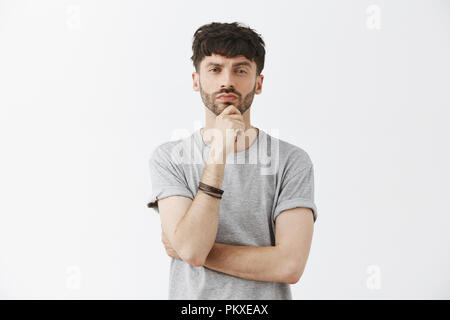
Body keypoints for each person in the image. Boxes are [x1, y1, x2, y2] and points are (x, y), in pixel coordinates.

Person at [147, 22, 318, 300]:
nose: (227, 81)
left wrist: (197, 252)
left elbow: (290, 265)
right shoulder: (170, 158)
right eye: (214, 69)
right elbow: (191, 249)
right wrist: (218, 154)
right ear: (196, 80)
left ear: (258, 83)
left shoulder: (291, 161)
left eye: (240, 70)